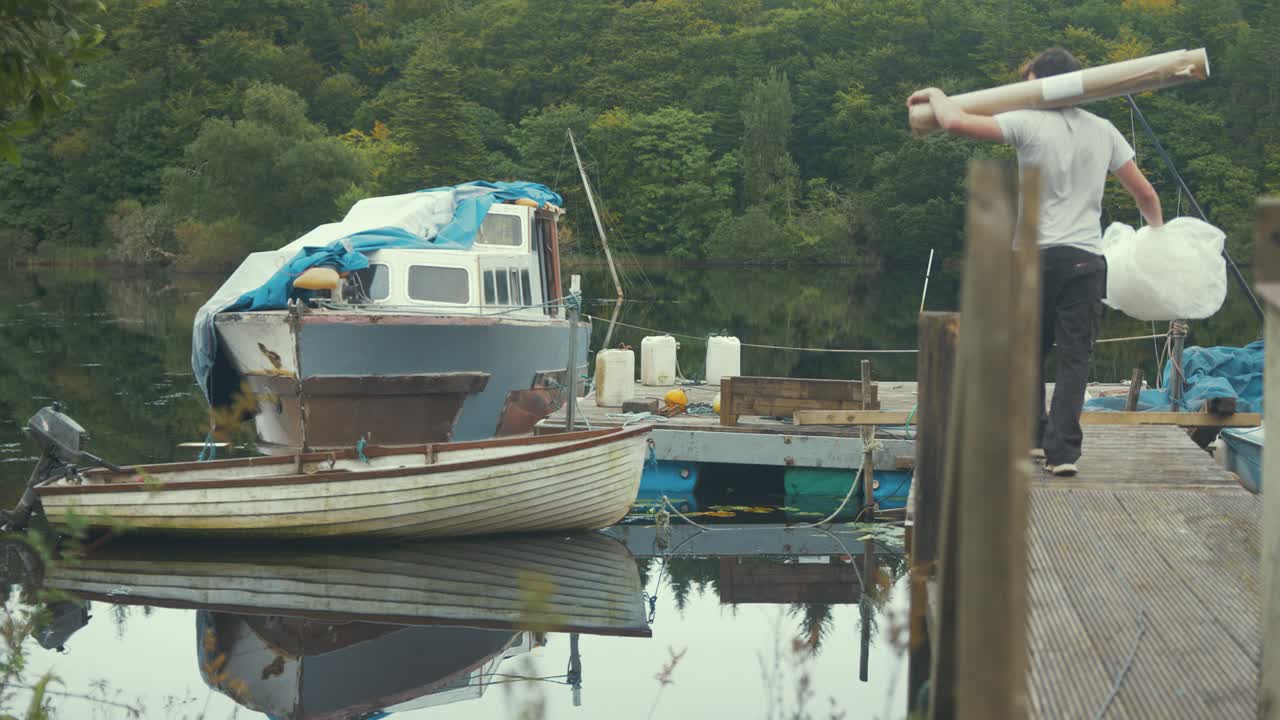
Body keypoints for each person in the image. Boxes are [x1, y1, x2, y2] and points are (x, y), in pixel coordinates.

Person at [906, 47, 1163, 477]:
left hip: (1031, 259)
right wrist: (1155, 236)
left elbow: (952, 121)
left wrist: (934, 92)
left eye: (1027, 81)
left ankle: (1031, 439)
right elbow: (1146, 195)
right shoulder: (1104, 131)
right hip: (1084, 260)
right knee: (1074, 358)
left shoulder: (1026, 121)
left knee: (1027, 355)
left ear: (1042, 82)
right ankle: (1061, 453)